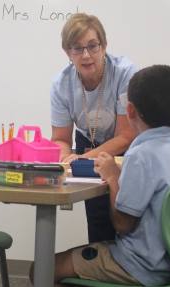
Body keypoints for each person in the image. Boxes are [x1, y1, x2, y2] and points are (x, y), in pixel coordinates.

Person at [34, 65, 170, 287]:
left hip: (139, 265)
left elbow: (122, 223)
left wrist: (112, 178)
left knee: (41, 270)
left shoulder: (140, 155)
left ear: (130, 110)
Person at [50, 12, 137, 245]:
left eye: (92, 46)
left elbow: (127, 135)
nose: (86, 55)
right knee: (97, 217)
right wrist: (65, 158)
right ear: (67, 52)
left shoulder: (125, 73)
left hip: (123, 148)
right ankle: (97, 270)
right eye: (77, 49)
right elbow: (60, 138)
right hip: (87, 142)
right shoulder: (61, 83)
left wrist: (82, 159)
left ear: (104, 45)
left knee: (124, 214)